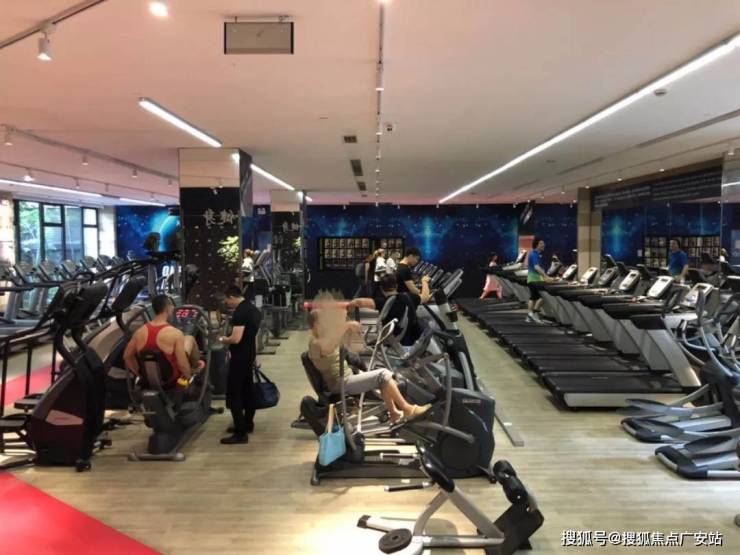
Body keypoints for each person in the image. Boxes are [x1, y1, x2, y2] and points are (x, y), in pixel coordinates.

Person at [306, 309, 430, 423]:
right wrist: (346, 326)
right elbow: (328, 347)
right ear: (317, 324)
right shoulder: (315, 343)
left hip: (346, 377)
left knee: (383, 379)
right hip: (341, 383)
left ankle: (394, 413)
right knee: (382, 375)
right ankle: (407, 409)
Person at [123, 294, 204, 389]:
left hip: (148, 378)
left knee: (188, 338)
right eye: (171, 306)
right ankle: (196, 367)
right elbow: (182, 365)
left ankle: (196, 366)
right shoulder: (175, 333)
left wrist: (140, 374)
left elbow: (127, 356)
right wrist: (189, 379)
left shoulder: (139, 332)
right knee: (189, 339)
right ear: (167, 308)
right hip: (171, 379)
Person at [219, 286, 262, 445]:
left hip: (239, 358)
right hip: (249, 355)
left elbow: (236, 339)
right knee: (247, 390)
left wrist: (223, 339)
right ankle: (247, 423)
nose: (226, 303)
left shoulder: (240, 313)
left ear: (231, 297)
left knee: (234, 393)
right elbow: (253, 337)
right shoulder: (253, 309)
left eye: (226, 300)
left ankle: (240, 433)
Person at [352, 273, 432, 346]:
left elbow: (359, 302)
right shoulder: (409, 296)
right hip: (411, 337)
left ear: (381, 289)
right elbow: (425, 297)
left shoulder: (383, 302)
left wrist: (348, 305)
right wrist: (424, 281)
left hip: (392, 338)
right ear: (396, 286)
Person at [526, 238, 552, 324]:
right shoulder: (534, 254)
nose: (543, 245)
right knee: (543, 297)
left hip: (532, 279)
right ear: (537, 245)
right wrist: (546, 276)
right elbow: (536, 267)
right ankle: (534, 314)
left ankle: (529, 316)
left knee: (533, 298)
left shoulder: (534, 254)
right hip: (535, 280)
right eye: (541, 243)